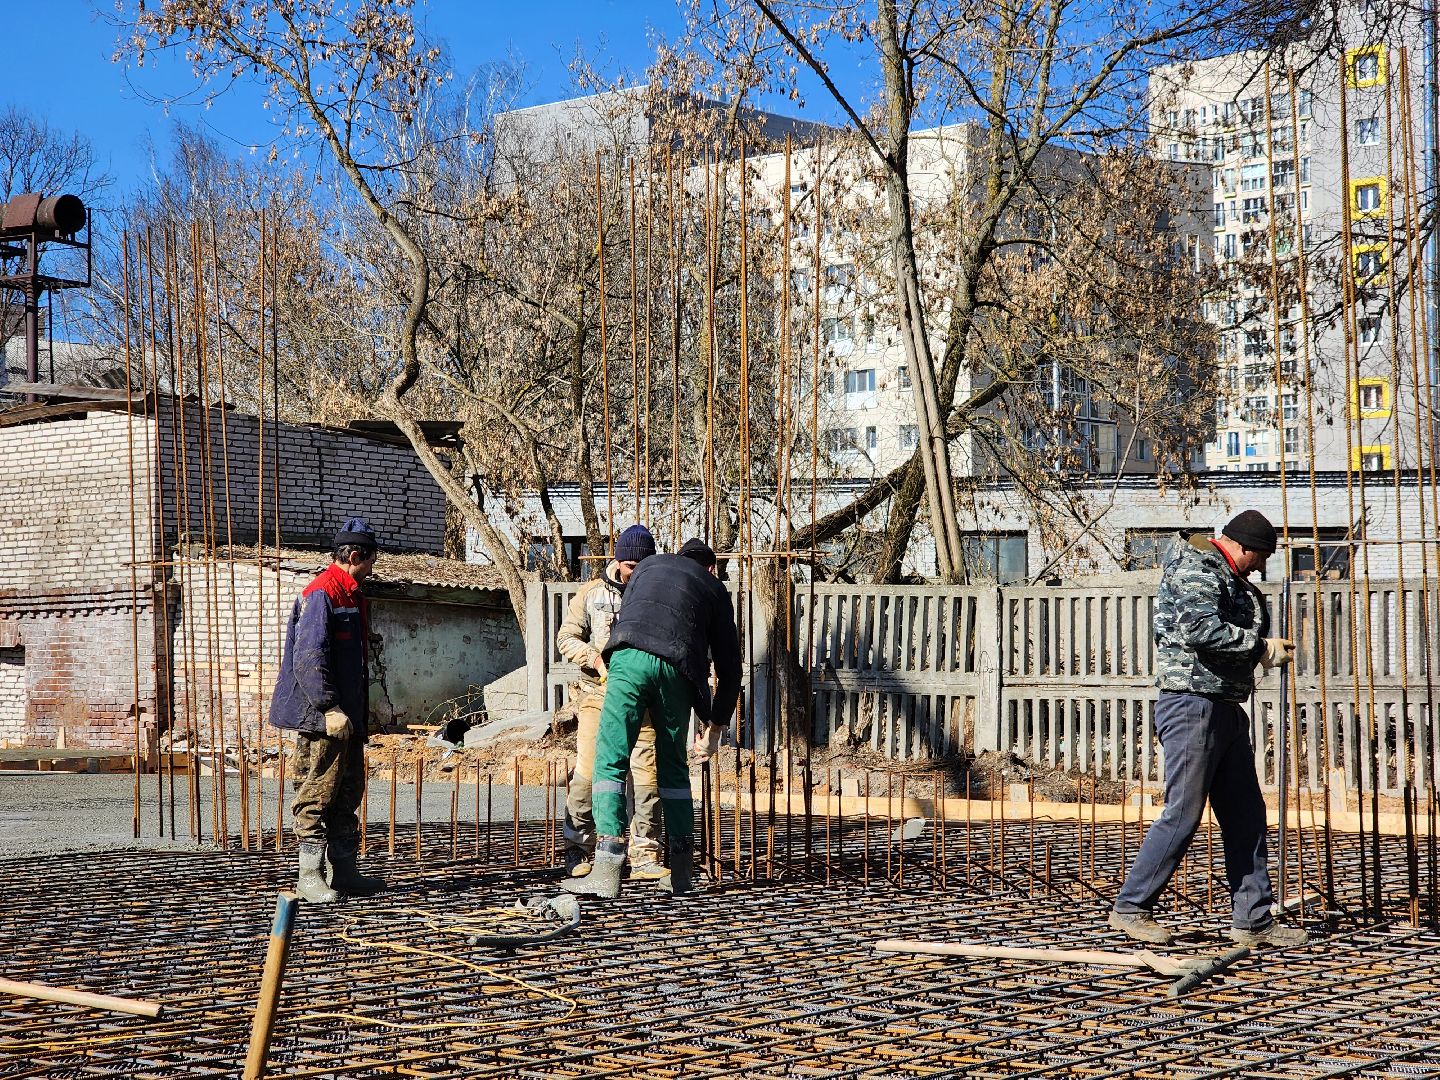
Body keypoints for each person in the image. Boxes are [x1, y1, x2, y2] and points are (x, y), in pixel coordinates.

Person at [1109, 510, 1306, 948]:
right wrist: (1259, 647)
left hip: (1224, 706)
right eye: (1260, 557)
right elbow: (1200, 630)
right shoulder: (1196, 568)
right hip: (1191, 705)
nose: (1262, 566)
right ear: (1242, 546)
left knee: (1246, 816)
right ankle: (1131, 907)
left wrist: (1256, 652)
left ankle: (1252, 920)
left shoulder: (1229, 576)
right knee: (1183, 812)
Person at [564, 538, 741, 899]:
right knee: (673, 768)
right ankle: (681, 873)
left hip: (628, 661)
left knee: (610, 760)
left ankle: (607, 867)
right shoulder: (715, 590)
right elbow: (730, 669)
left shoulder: (648, 568)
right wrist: (715, 728)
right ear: (711, 568)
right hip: (677, 670)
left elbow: (630, 619)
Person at [269, 517, 385, 904]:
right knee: (316, 793)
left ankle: (345, 871)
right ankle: (310, 876)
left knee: (348, 792)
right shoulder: (322, 593)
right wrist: (329, 707)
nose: (371, 569)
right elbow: (307, 658)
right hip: (323, 719)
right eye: (369, 562)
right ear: (354, 556)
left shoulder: (351, 594)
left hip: (346, 717)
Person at [555, 524, 667, 881]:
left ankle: (645, 854)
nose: (632, 572)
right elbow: (566, 637)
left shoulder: (658, 596)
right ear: (617, 560)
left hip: (643, 700)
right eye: (628, 564)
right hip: (598, 697)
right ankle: (579, 847)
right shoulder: (591, 594)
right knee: (588, 773)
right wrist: (594, 657)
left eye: (640, 565)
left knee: (647, 777)